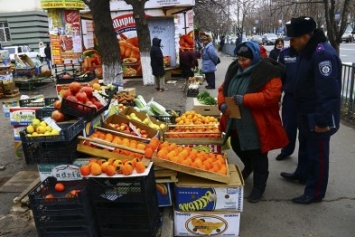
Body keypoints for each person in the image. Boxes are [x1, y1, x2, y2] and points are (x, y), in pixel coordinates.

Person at [280, 16, 341, 204]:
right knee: (305, 146)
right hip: (305, 111)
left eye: (294, 39)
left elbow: (329, 92)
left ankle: (314, 192)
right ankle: (302, 174)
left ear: (305, 37)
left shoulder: (322, 54)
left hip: (317, 115)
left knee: (318, 155)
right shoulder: (307, 50)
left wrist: (322, 121)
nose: (292, 43)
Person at [217, 41, 288, 203]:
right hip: (236, 120)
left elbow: (272, 95)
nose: (240, 63)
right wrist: (221, 103)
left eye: (244, 60)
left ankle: (259, 188)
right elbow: (223, 89)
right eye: (239, 59)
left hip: (257, 122)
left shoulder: (268, 71)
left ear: (254, 57)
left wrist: (245, 99)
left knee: (258, 154)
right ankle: (249, 166)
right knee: (236, 144)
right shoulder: (234, 68)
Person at [275, 37, 300, 161]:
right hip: (290, 97)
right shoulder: (285, 54)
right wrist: (277, 97)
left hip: (305, 98)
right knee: (288, 127)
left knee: (305, 130)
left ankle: (304, 157)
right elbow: (280, 78)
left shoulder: (307, 53)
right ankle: (286, 150)